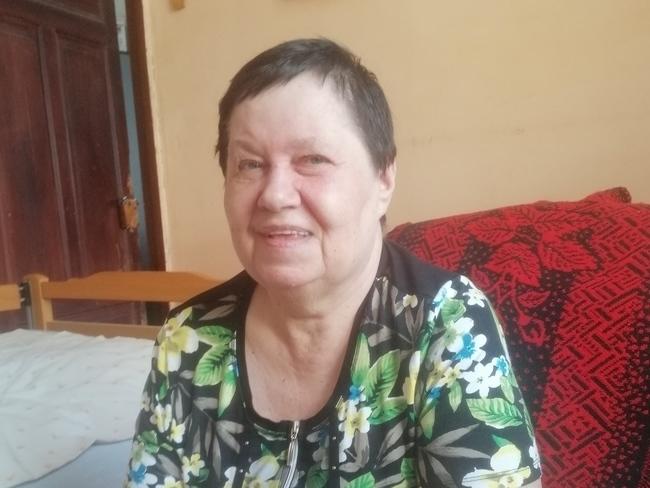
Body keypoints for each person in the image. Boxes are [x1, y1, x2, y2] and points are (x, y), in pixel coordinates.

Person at [126, 38, 542, 488]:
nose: (275, 195)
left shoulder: (447, 324)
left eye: (313, 159)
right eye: (249, 164)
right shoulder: (189, 339)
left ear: (383, 178)